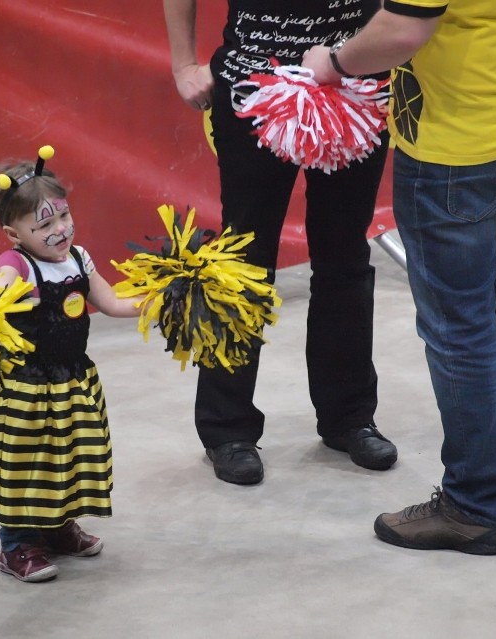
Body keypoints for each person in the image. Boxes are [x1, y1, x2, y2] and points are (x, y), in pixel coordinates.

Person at [303, 0, 496, 554]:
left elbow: (404, 28)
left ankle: (474, 504)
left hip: (461, 140)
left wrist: (333, 62)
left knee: (460, 330)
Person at [162, 0, 399, 486]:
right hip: (254, 88)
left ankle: (350, 417)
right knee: (241, 264)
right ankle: (226, 428)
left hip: (355, 86)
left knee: (346, 258)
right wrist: (183, 62)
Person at [0, 147, 142, 582]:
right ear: (15, 235)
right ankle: (16, 544)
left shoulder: (79, 259)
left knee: (68, 456)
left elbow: (113, 304)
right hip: (26, 389)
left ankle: (56, 527)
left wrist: (166, 300)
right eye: (45, 224)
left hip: (73, 380)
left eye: (64, 217)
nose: (61, 230)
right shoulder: (17, 264)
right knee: (26, 462)